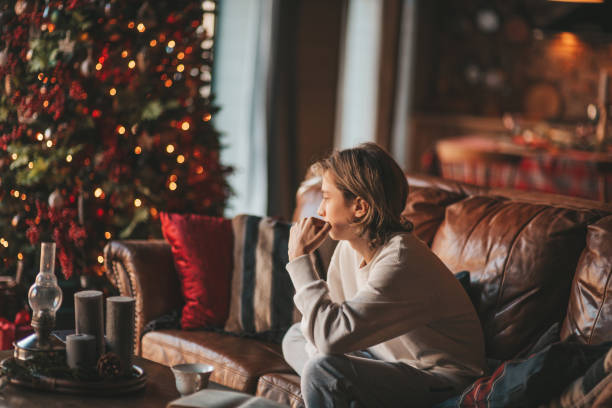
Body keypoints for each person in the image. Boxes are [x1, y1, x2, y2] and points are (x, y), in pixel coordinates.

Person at [282, 143, 487, 408]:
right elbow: (328, 324)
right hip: (381, 356)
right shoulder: (349, 247)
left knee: (322, 370)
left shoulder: (402, 261)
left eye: (326, 197)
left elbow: (329, 337)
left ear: (360, 208)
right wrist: (325, 344)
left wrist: (300, 261)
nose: (320, 210)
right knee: (295, 336)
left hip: (440, 379)